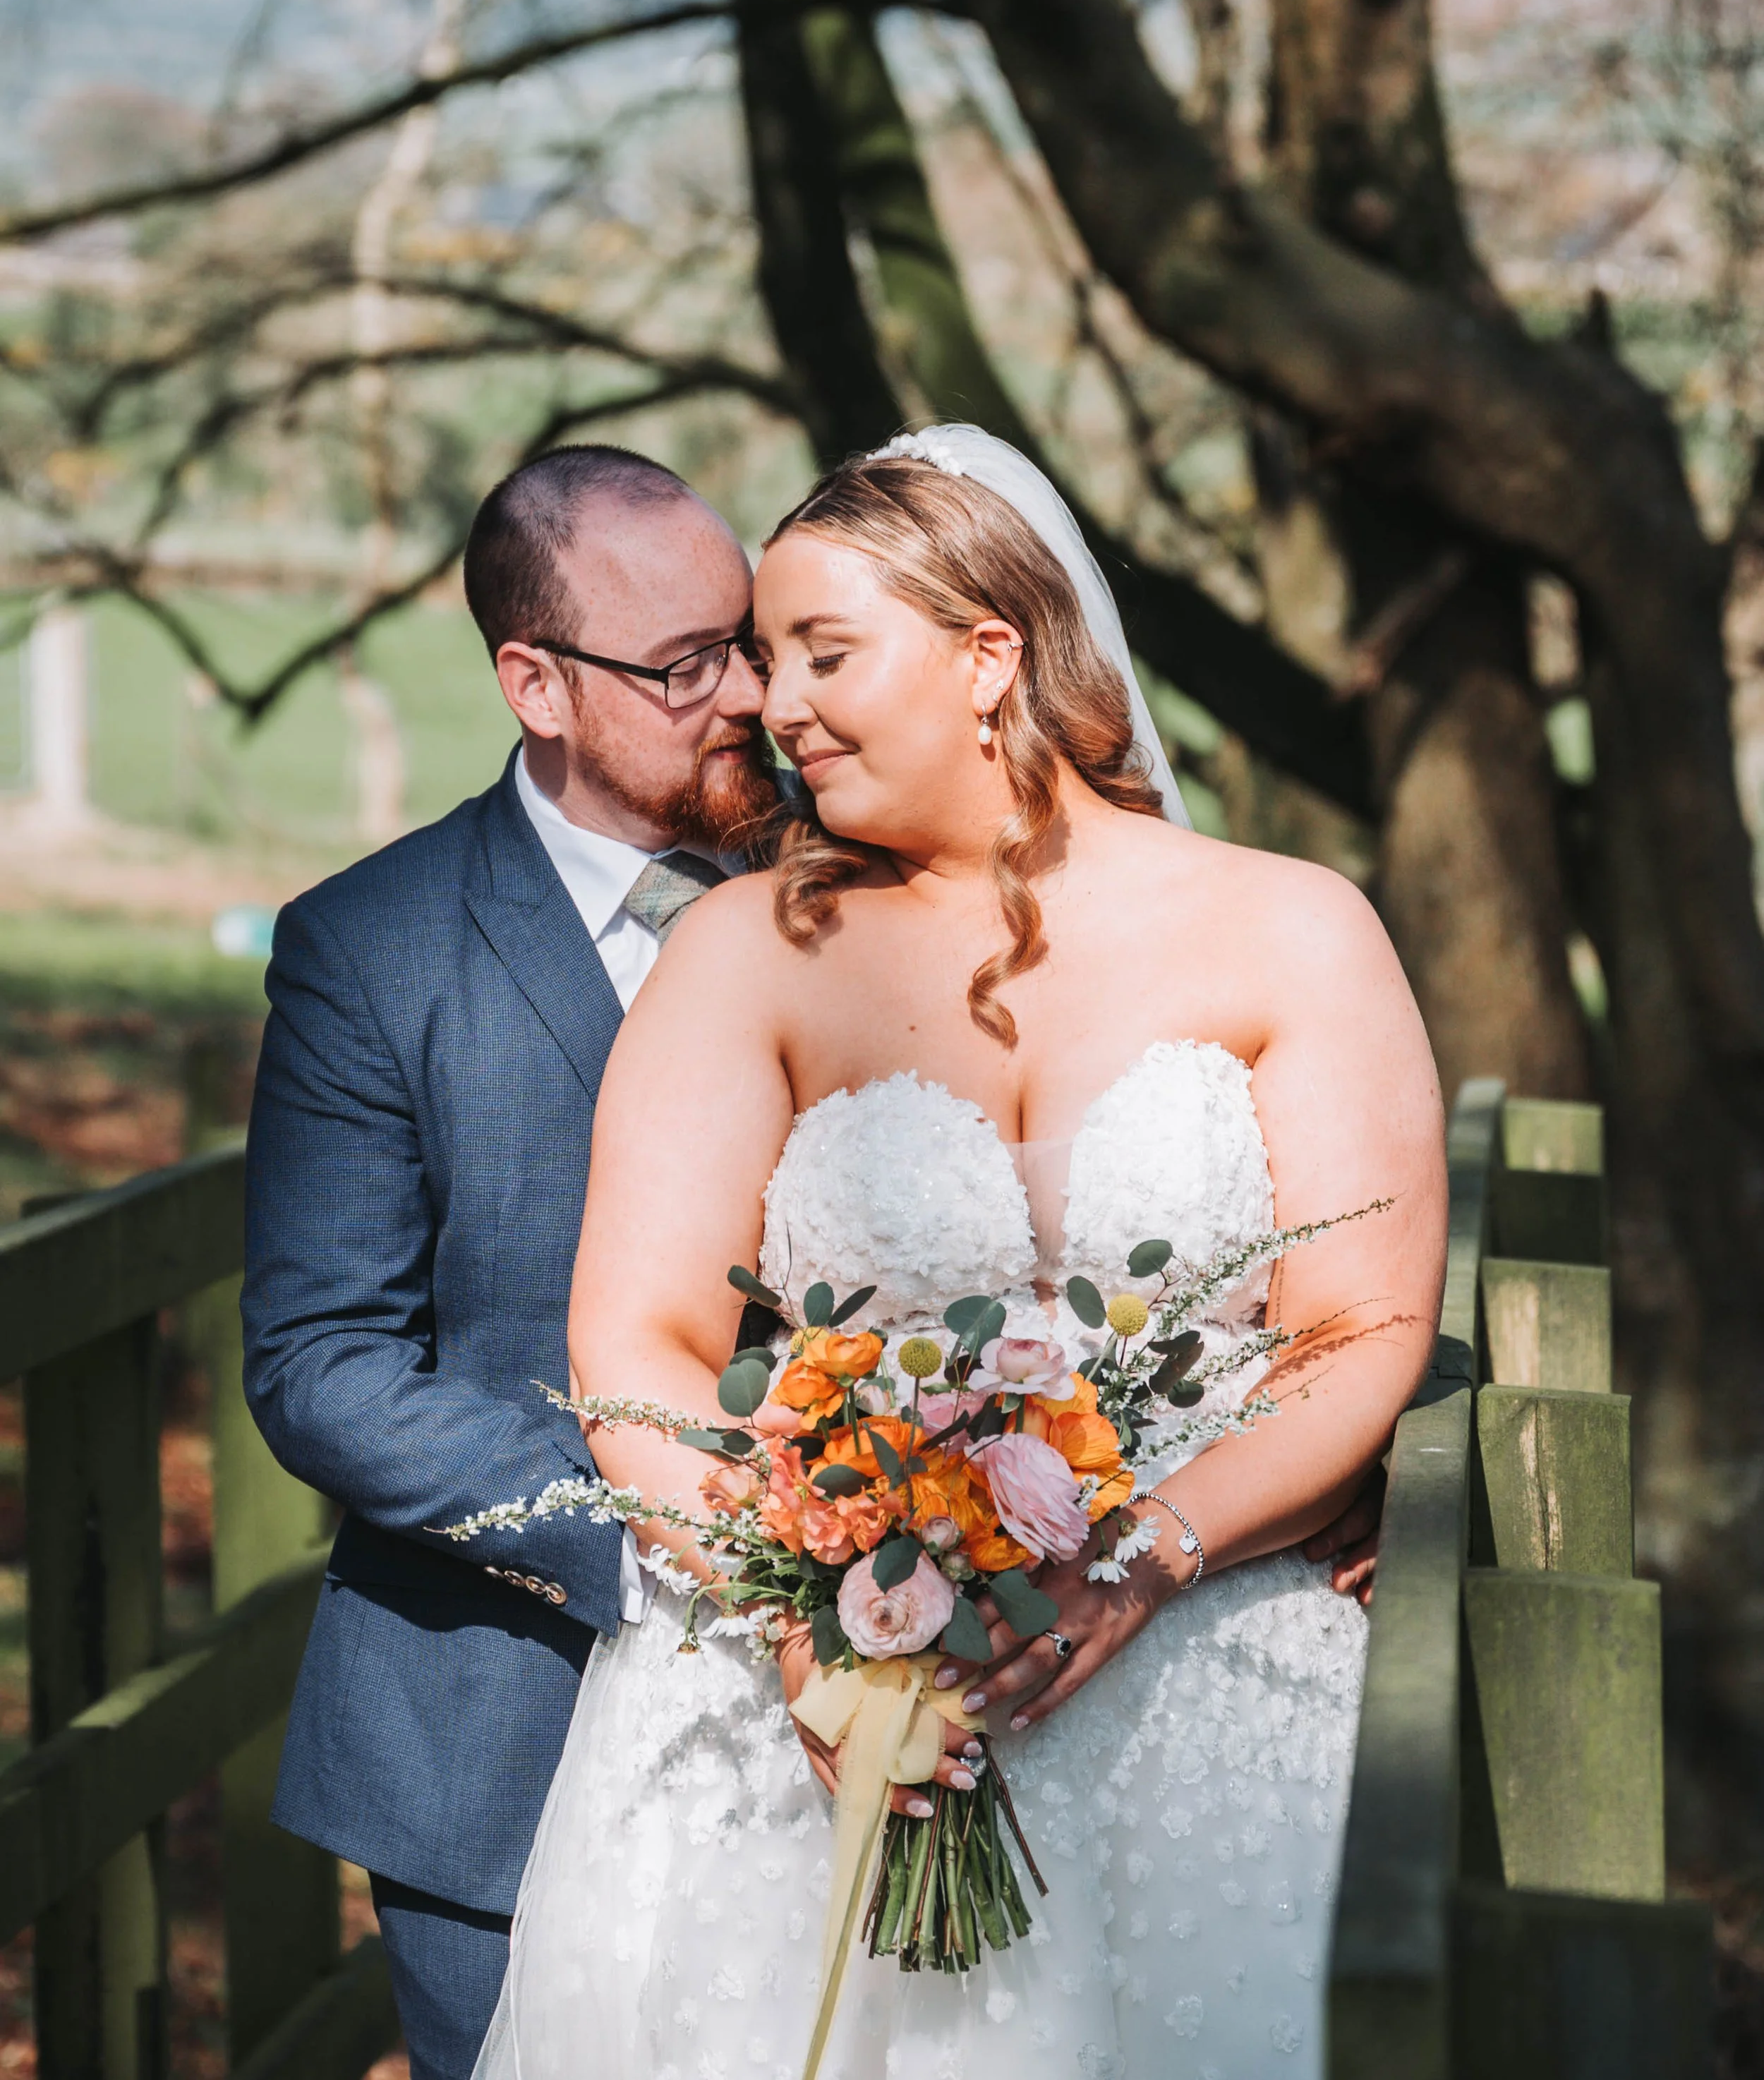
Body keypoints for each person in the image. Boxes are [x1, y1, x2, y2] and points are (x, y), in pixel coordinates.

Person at [474, 427, 1446, 2080]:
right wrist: (802, 1614)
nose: (771, 706)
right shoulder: (740, 955)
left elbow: (1360, 1327)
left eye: (821, 653)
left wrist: (1151, 1554)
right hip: (804, 1720)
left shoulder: (1293, 927)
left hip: (1209, 1680)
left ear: (988, 655)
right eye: (763, 660)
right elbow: (633, 1336)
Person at [241, 445, 780, 2080]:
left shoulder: (848, 888)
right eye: (686, 665)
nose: (748, 693)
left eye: (751, 640)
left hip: (877, 1706)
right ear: (533, 684)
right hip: (501, 1732)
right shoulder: (370, 950)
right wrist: (672, 1533)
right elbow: (322, 1367)